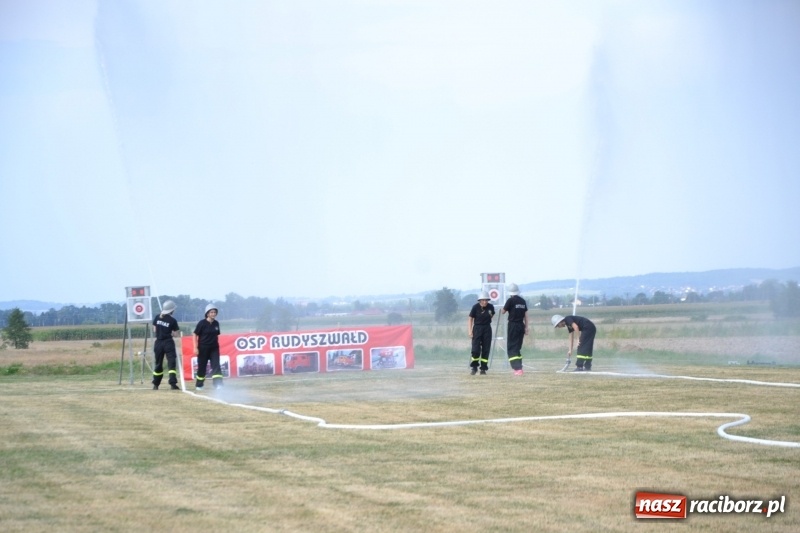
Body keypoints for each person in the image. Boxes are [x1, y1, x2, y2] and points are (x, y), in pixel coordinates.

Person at [151, 300, 180, 390]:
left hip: (158, 343)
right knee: (171, 363)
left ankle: (156, 384)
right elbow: (176, 334)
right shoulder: (173, 320)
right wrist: (170, 332)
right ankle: (172, 383)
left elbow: (154, 330)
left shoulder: (157, 317)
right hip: (168, 343)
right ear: (172, 310)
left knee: (158, 363)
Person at [501, 283, 529, 375]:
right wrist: (526, 327)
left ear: (510, 292)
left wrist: (502, 308)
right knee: (517, 347)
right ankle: (519, 367)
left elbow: (503, 312)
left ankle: (517, 369)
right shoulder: (523, 301)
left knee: (511, 347)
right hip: (521, 325)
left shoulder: (510, 300)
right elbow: (526, 315)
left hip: (513, 325)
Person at [194, 303, 223, 390]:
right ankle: (199, 385)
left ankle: (218, 384)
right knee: (202, 367)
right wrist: (195, 347)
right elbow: (195, 334)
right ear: (207, 313)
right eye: (211, 312)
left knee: (216, 366)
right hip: (203, 349)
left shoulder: (216, 323)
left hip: (214, 348)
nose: (213, 314)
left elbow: (216, 335)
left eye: (215, 312)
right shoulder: (202, 323)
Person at [467, 291, 495, 375]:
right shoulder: (475, 307)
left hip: (487, 329)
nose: (485, 302)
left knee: (486, 349)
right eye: (483, 300)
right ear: (479, 300)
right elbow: (470, 318)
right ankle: (474, 367)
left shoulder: (491, 307)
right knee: (475, 349)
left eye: (486, 300)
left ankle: (483, 368)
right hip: (477, 328)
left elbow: (492, 315)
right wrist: (470, 331)